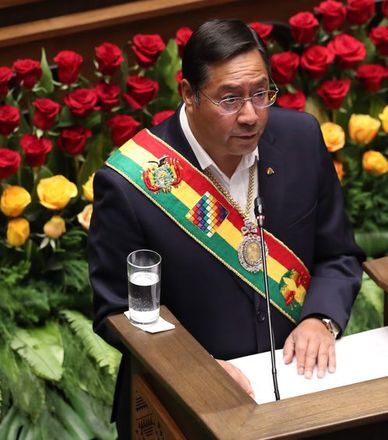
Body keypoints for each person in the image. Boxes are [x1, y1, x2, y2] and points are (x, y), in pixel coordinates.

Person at [89, 19, 364, 438]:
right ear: (189, 94)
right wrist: (194, 371)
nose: (251, 115)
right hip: (185, 407)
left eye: (261, 93)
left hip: (298, 390)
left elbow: (338, 254)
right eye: (230, 99)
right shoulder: (131, 182)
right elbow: (119, 311)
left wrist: (320, 319)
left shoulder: (301, 140)